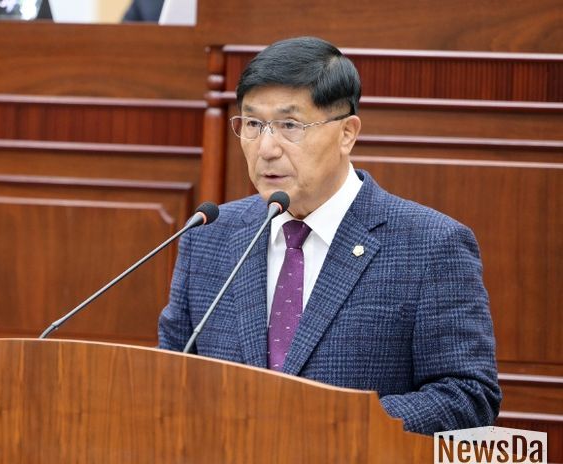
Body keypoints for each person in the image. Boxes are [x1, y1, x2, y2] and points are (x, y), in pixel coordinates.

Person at [158, 36, 501, 435]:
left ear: (346, 133)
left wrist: (331, 426)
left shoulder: (431, 245)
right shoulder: (209, 236)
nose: (266, 148)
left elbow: (468, 397)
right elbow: (169, 378)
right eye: (252, 124)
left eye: (289, 125)